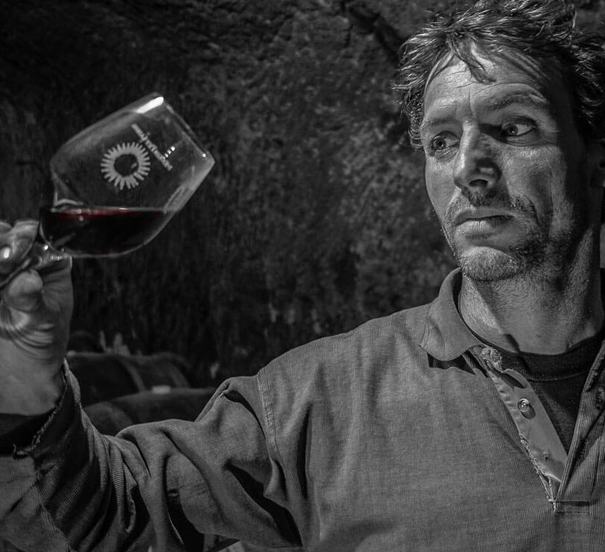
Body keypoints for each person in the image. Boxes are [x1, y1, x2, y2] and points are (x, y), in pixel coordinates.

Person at [2, 0, 605, 550]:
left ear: (595, 162)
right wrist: (30, 393)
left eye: (513, 127)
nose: (469, 169)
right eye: (441, 142)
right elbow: (114, 518)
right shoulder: (317, 401)